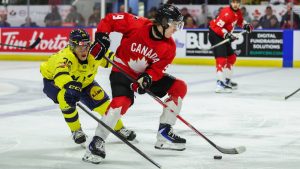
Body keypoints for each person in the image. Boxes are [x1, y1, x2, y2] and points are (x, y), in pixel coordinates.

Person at [83, 4, 187, 164]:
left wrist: (147, 78)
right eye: (174, 25)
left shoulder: (170, 47)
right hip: (121, 72)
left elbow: (157, 69)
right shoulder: (137, 24)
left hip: (142, 76)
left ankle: (164, 132)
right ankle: (97, 141)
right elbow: (109, 20)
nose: (176, 29)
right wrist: (102, 38)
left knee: (179, 86)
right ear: (164, 21)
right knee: (120, 103)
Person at [40, 28, 136, 146]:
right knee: (66, 100)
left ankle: (119, 128)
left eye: (86, 45)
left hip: (85, 82)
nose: (84, 50)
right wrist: (69, 86)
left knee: (104, 104)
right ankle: (76, 130)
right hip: (55, 83)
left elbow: (113, 58)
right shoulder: (64, 57)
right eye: (80, 47)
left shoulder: (94, 52)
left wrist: (131, 63)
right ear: (72, 46)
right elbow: (60, 75)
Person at [208, 0, 253, 93]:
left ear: (240, 4)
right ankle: (220, 84)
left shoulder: (238, 11)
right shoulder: (226, 12)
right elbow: (217, 27)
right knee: (222, 59)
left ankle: (227, 81)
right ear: (230, 3)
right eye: (233, 2)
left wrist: (246, 25)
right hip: (215, 34)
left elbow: (240, 21)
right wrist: (227, 35)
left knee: (232, 58)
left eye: (237, 2)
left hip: (223, 34)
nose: (235, 4)